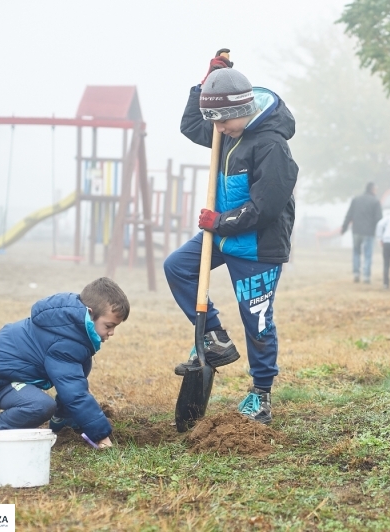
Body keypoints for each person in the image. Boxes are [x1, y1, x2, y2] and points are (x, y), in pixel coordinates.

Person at [164, 52, 298, 425]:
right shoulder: (228, 129)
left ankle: (261, 394)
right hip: (222, 234)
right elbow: (193, 126)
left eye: (224, 121)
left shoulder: (272, 146)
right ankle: (215, 337)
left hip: (258, 246)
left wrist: (219, 221)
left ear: (245, 108)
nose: (218, 130)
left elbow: (265, 208)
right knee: (178, 267)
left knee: (256, 320)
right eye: (216, 122)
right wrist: (202, 86)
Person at [0, 278, 129, 449]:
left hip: (20, 372)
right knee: (40, 406)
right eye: (108, 326)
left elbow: (72, 382)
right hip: (0, 380)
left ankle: (62, 418)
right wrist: (101, 435)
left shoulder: (73, 330)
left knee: (80, 365)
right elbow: (74, 392)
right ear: (90, 314)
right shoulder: (64, 343)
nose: (112, 332)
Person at [341, 182, 383, 283]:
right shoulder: (375, 201)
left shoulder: (356, 200)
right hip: (369, 232)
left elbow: (349, 214)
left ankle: (356, 273)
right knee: (368, 254)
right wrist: (380, 233)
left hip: (356, 231)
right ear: (372, 189)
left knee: (356, 252)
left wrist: (344, 228)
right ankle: (366, 276)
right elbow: (379, 219)